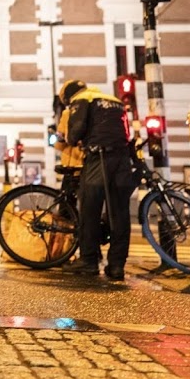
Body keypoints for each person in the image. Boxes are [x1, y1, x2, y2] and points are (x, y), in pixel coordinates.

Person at [57, 79, 135, 281]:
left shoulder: (81, 100)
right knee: (119, 214)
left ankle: (88, 261)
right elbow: (127, 132)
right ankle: (117, 266)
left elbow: (76, 132)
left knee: (89, 210)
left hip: (98, 158)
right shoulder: (114, 100)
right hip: (122, 160)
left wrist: (71, 138)